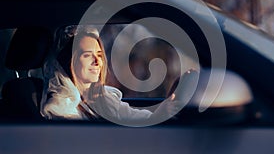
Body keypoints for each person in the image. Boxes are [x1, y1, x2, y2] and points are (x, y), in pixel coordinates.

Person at [40, 26, 183, 126]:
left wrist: (160, 114)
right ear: (70, 62)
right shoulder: (60, 108)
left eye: (99, 55)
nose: (97, 62)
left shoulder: (102, 99)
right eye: (87, 55)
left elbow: (133, 117)